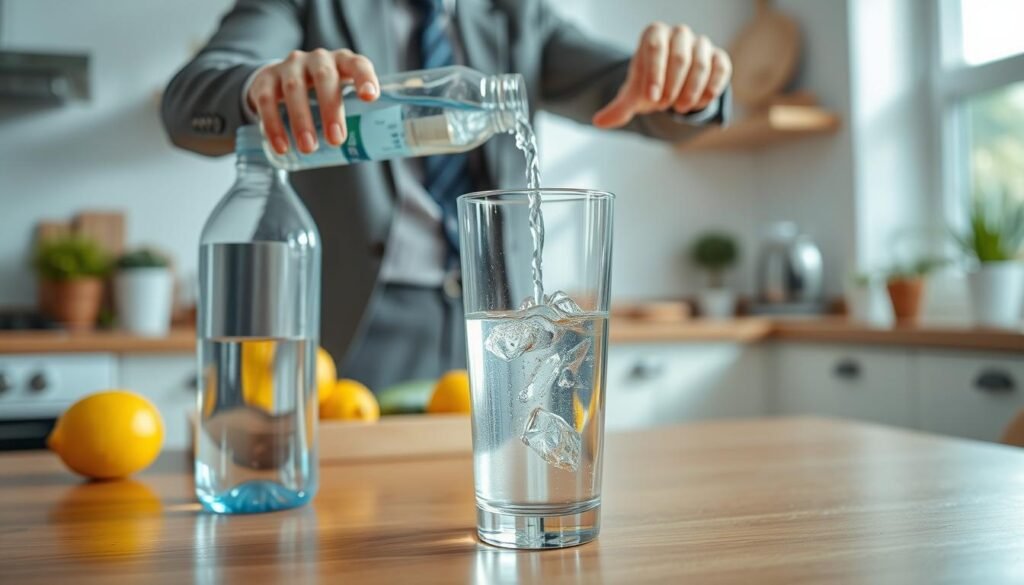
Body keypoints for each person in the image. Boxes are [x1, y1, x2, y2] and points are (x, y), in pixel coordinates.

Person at [162, 0, 732, 392]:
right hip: (348, 329)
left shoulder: (514, 13)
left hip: (497, 327)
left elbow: (634, 92)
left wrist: (692, 82)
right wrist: (257, 86)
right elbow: (188, 102)